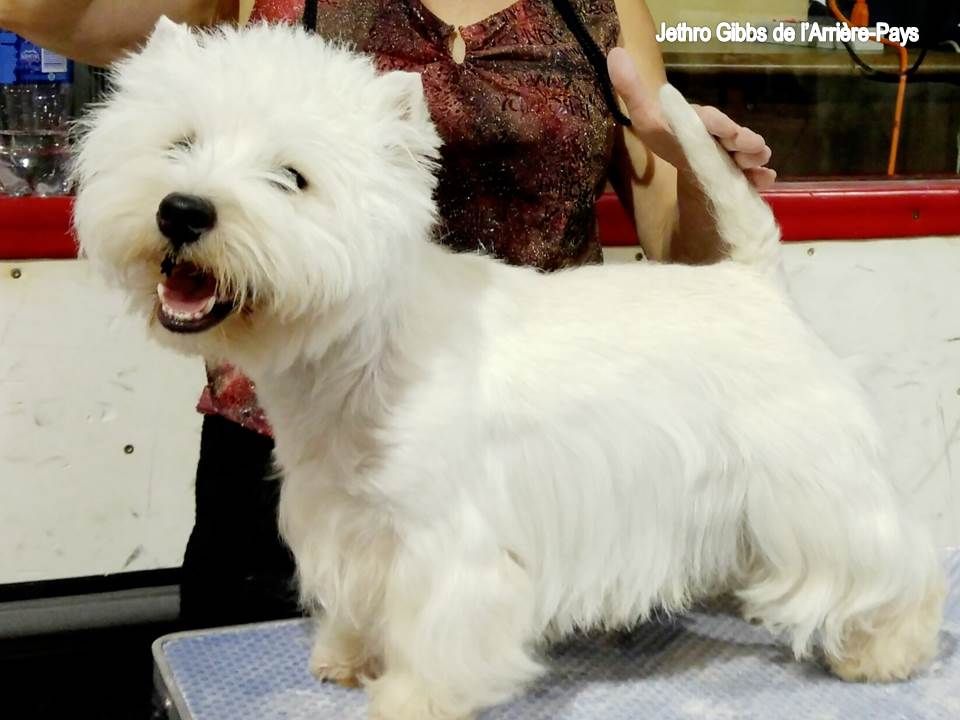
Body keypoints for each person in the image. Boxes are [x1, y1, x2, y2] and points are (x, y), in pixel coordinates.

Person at [1, 0, 775, 627]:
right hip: (282, 456)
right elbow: (42, 11)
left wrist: (708, 175)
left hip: (537, 445)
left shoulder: (600, 7)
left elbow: (683, 248)